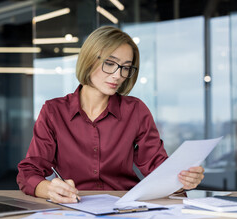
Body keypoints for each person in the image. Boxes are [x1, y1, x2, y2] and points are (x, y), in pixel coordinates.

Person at [16, 26, 204, 203]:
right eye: (110, 63)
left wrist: (182, 180)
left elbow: (159, 171)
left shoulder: (135, 111)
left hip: (127, 208)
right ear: (89, 59)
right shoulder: (53, 111)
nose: (117, 75)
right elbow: (28, 172)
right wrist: (49, 189)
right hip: (73, 207)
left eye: (125, 67)